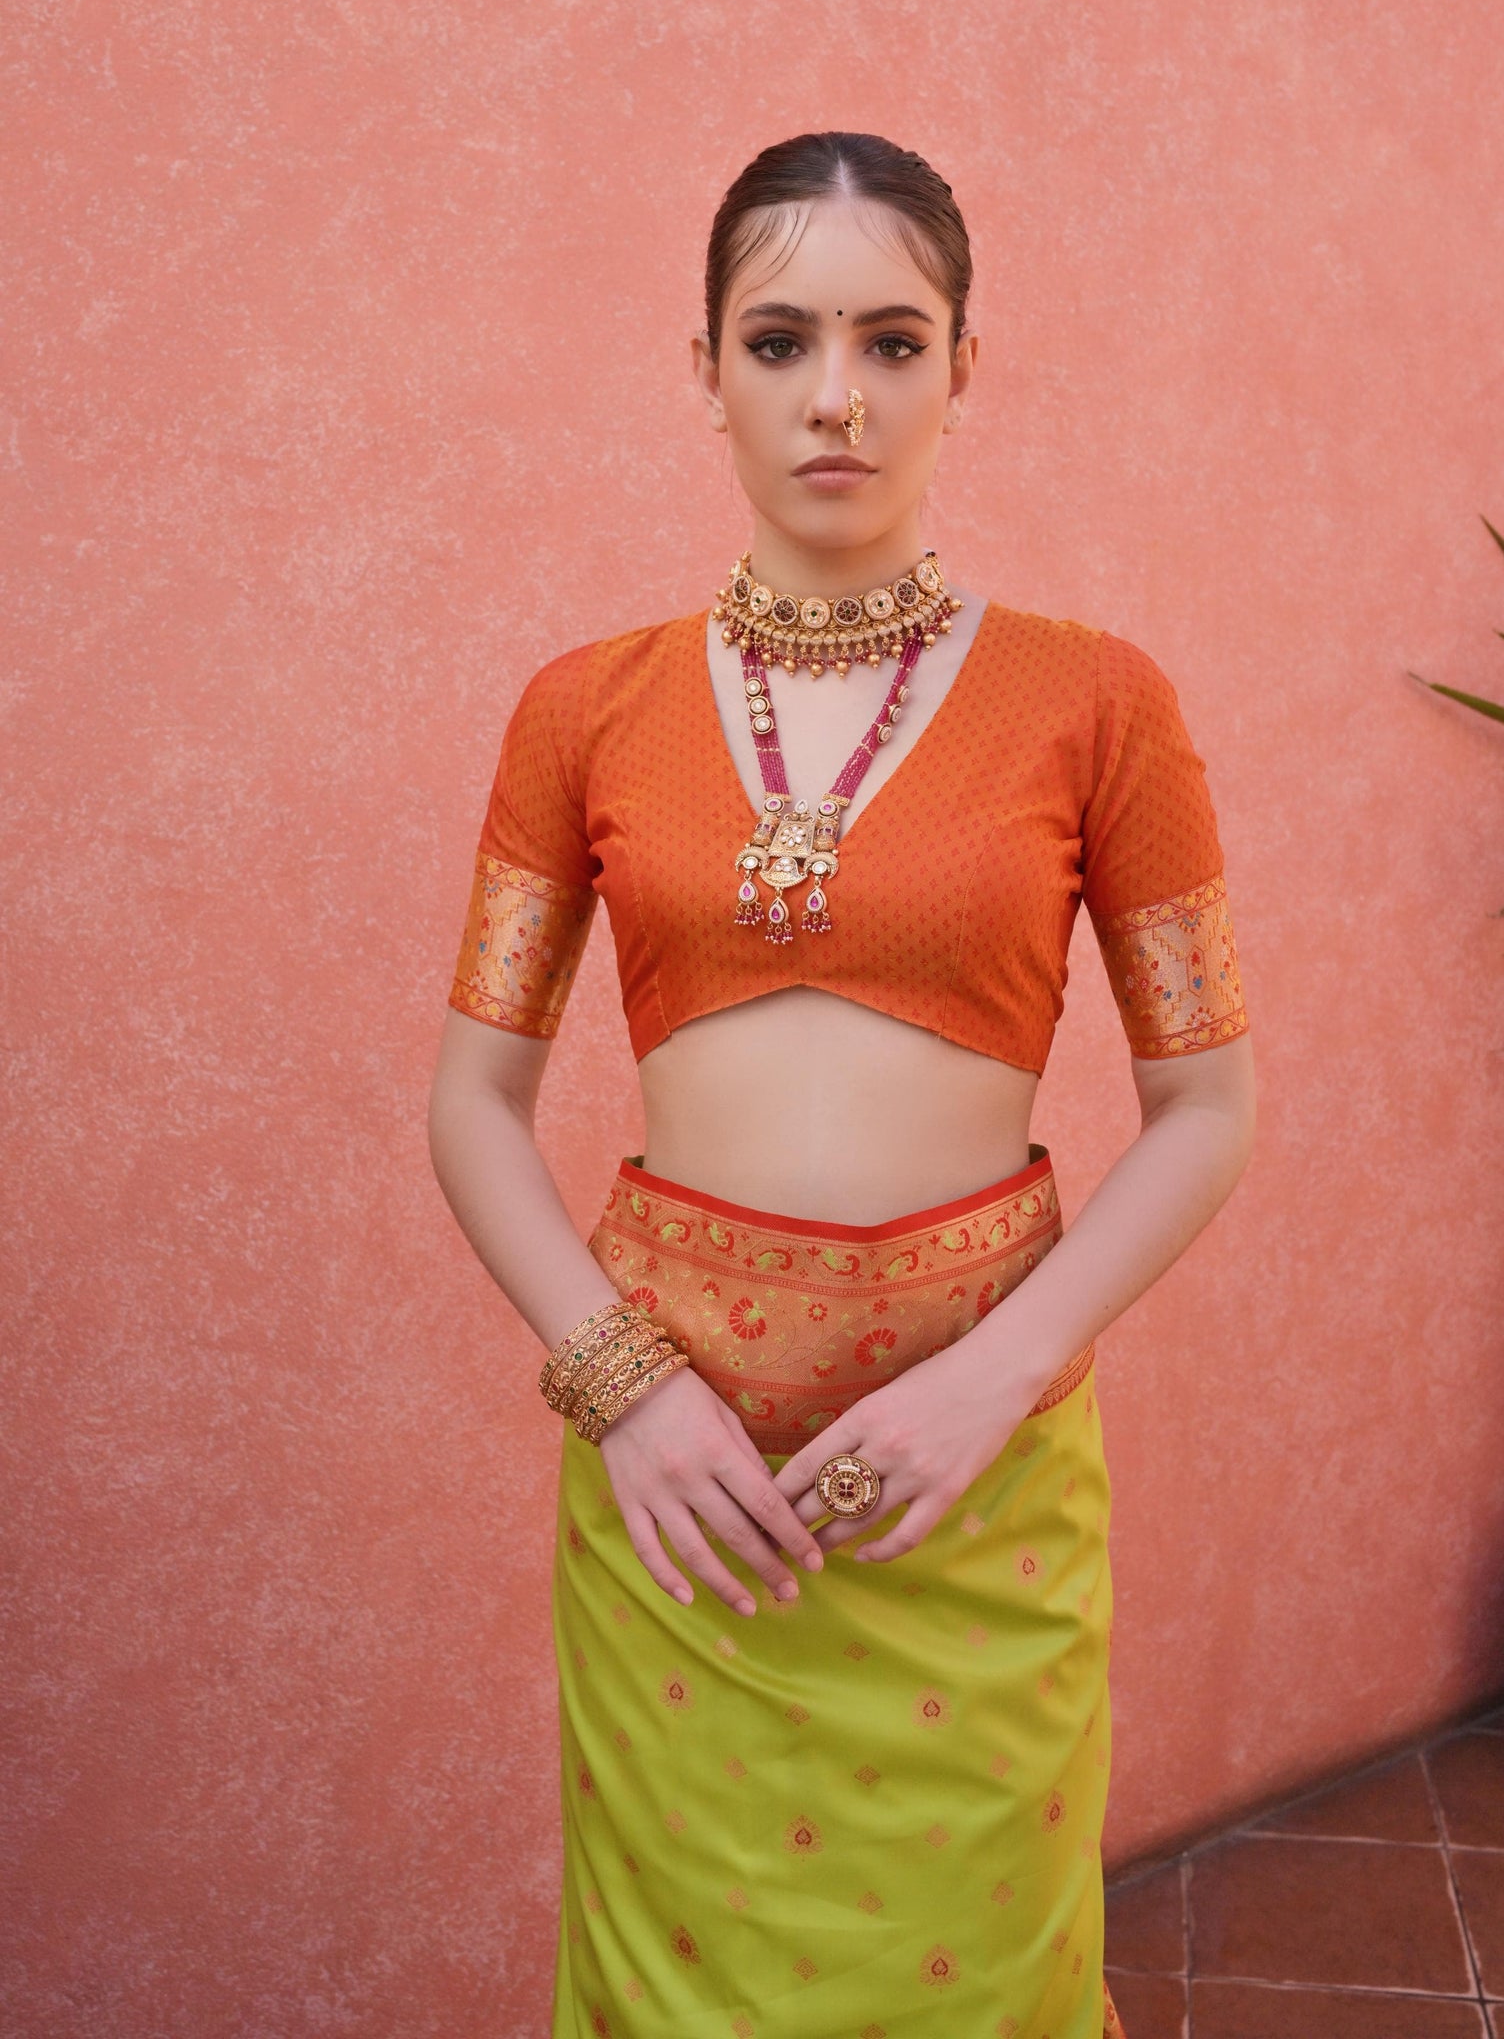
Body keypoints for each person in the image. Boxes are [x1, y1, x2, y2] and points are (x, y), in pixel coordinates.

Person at [428, 130, 1256, 2039]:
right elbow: (472, 1100)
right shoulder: (584, 708)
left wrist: (992, 1378)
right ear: (703, 367)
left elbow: (1210, 1111)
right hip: (682, 1487)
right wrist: (626, 1397)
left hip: (977, 1481)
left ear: (965, 369)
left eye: (893, 341)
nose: (834, 396)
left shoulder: (1095, 702)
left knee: (985, 1981)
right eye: (779, 337)